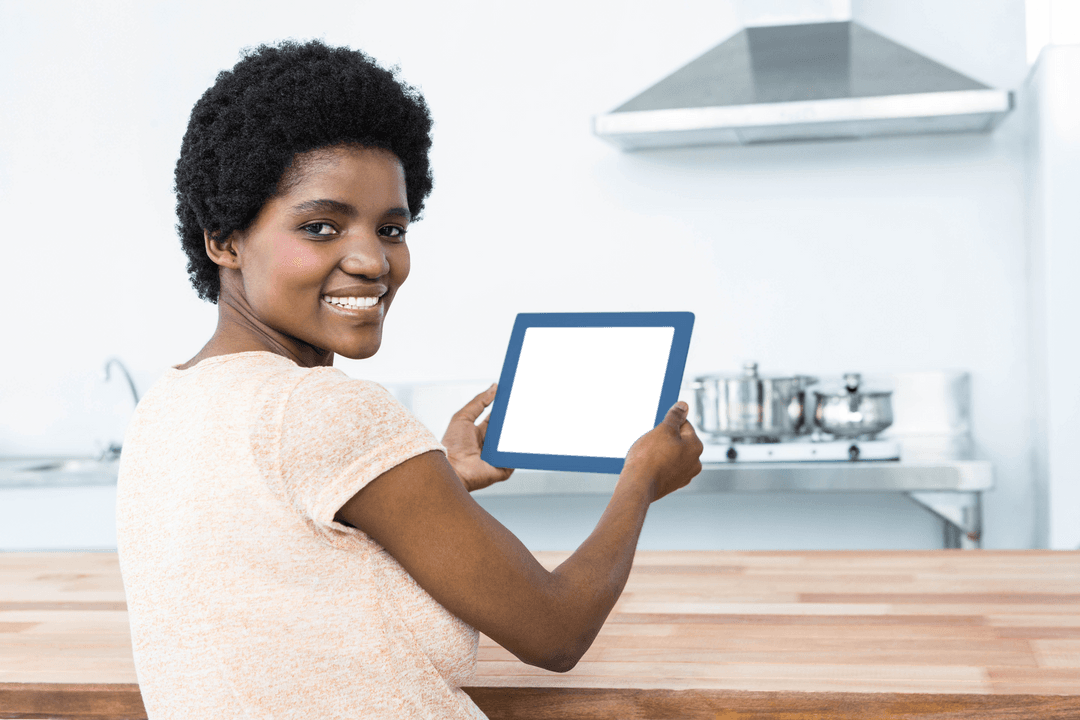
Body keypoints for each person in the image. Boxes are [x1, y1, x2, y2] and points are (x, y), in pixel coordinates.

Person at [115, 39, 703, 720]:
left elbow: (288, 586)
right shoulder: (328, 409)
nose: (371, 260)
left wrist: (437, 477)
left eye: (391, 228)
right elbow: (555, 629)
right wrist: (642, 481)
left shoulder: (170, 403)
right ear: (224, 240)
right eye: (322, 226)